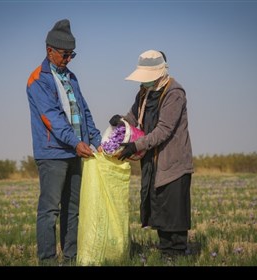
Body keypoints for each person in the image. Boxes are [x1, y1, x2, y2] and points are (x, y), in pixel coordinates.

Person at [26, 19, 102, 263]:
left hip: (76, 152)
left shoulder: (71, 77)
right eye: (65, 55)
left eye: (72, 55)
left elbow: (84, 111)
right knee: (50, 210)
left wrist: (97, 139)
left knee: (73, 209)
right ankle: (47, 260)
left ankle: (72, 257)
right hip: (53, 154)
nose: (69, 59)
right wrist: (75, 142)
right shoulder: (38, 80)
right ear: (50, 51)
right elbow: (53, 119)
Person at [110, 50, 195, 257]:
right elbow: (133, 117)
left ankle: (176, 253)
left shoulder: (174, 93)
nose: (144, 82)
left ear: (160, 72)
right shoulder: (144, 93)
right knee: (159, 207)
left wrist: (135, 146)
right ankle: (167, 252)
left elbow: (163, 130)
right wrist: (120, 121)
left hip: (172, 162)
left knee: (173, 211)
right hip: (153, 161)